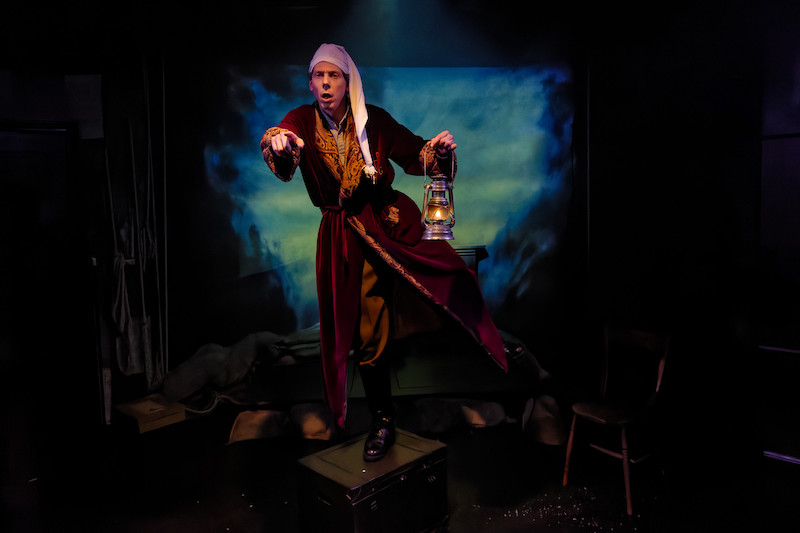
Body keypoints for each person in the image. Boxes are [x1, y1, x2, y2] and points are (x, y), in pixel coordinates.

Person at [261, 43, 507, 461]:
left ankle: (489, 337)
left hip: (390, 218)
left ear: (348, 82)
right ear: (310, 83)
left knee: (450, 271)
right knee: (367, 331)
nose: (326, 84)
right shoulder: (302, 120)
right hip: (345, 235)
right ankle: (382, 419)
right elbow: (282, 139)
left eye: (333, 76)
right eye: (318, 76)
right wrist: (280, 141)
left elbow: (416, 154)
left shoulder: (372, 119)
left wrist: (438, 149)